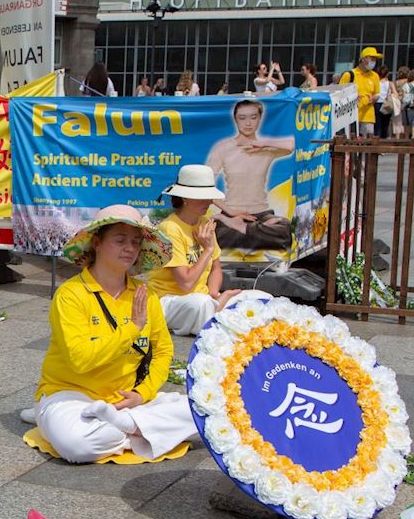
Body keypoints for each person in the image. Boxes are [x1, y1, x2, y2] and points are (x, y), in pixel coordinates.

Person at [34, 205, 196, 464]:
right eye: (120, 240)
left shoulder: (145, 294)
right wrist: (132, 328)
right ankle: (139, 429)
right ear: (97, 243)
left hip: (126, 400)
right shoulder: (70, 294)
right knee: (78, 445)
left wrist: (142, 393)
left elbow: (163, 351)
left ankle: (126, 424)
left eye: (135, 242)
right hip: (71, 395)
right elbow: (80, 360)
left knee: (207, 414)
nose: (129, 248)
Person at [148, 167, 247, 335]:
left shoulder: (205, 222)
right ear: (185, 198)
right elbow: (186, 284)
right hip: (170, 299)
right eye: (203, 198)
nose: (209, 202)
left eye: (210, 197)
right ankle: (216, 315)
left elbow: (216, 267)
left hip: (204, 298)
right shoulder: (170, 228)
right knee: (201, 304)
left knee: (255, 298)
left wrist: (214, 294)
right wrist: (207, 249)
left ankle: (217, 309)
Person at [204, 100, 295, 251]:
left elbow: (292, 145)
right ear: (235, 119)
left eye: (253, 117)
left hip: (262, 215)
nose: (248, 123)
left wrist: (264, 143)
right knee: (216, 233)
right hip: (231, 215)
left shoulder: (266, 149)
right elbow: (204, 185)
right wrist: (230, 213)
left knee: (284, 228)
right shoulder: (223, 148)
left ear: (260, 118)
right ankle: (254, 233)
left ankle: (245, 230)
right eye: (242, 118)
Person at [337, 47, 381, 134]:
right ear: (363, 59)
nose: (374, 62)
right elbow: (339, 94)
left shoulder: (375, 76)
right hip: (350, 115)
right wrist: (352, 97)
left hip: (368, 115)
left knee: (367, 140)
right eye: (372, 59)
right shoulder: (349, 75)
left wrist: (375, 98)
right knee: (350, 139)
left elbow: (377, 93)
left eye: (375, 59)